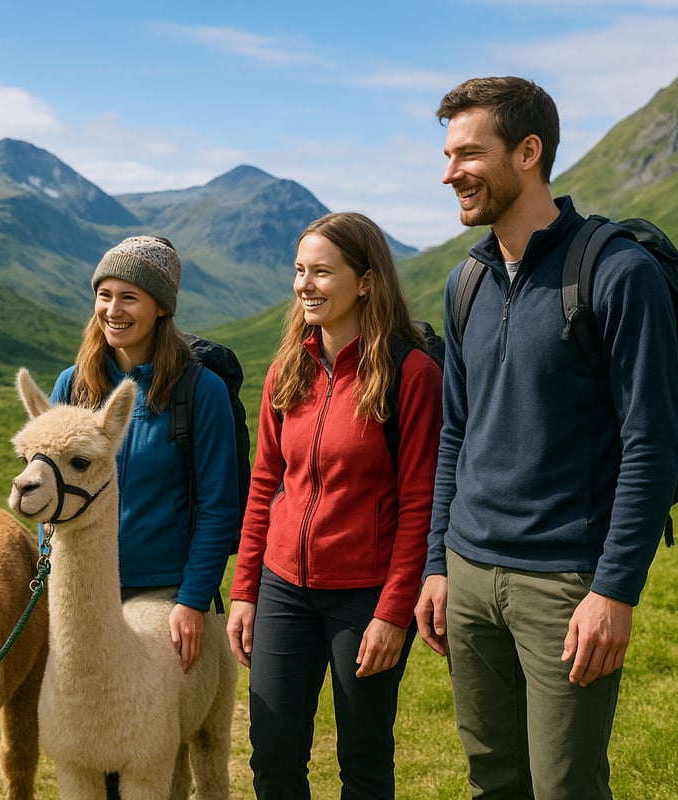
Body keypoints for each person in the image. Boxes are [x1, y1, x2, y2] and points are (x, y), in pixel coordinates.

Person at [415, 76, 678, 799]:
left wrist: (614, 590)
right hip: (468, 575)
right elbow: (456, 434)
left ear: (528, 152)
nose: (449, 173)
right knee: (492, 780)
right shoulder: (464, 282)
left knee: (566, 787)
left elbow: (653, 443)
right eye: (447, 155)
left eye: (468, 154)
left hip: (565, 584)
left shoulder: (618, 273)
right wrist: (439, 564)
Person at [226, 211, 442, 798]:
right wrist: (245, 590)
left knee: (364, 761)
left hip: (364, 596)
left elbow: (420, 503)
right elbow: (266, 485)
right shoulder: (286, 369)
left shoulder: (412, 374)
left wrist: (393, 613)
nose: (306, 285)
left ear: (366, 280)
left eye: (323, 271)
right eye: (300, 271)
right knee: (272, 756)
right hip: (283, 589)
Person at [48, 234, 241, 672]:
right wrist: (57, 576)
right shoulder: (72, 385)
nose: (113, 311)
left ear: (161, 307)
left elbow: (218, 506)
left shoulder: (200, 390)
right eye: (104, 296)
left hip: (165, 595)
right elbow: (53, 499)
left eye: (129, 298)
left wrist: (192, 601)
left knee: (159, 734)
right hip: (85, 588)